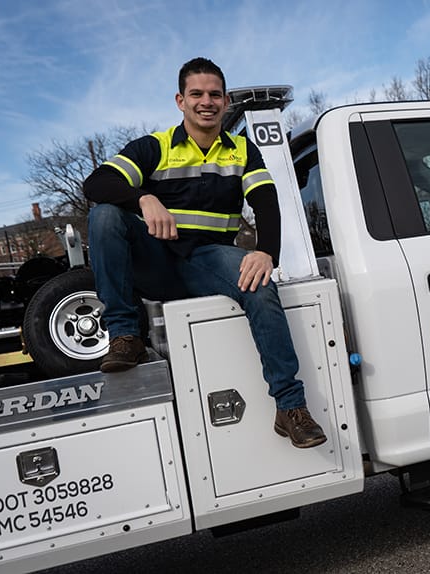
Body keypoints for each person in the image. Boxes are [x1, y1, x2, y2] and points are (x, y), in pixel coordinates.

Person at [83, 57, 326, 449]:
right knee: (105, 216)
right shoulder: (154, 147)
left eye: (215, 94)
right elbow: (96, 182)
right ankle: (125, 336)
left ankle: (290, 408)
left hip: (207, 261)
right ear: (180, 100)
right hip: (155, 260)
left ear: (226, 101)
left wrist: (266, 253)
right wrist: (143, 197)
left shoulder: (242, 151)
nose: (206, 101)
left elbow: (266, 200)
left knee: (260, 284)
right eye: (196, 94)